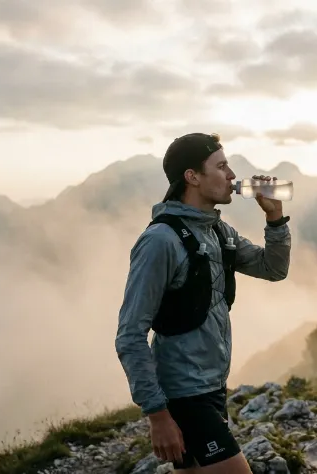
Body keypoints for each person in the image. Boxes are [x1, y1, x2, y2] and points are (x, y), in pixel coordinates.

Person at [115, 132, 291, 473]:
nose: (231, 175)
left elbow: (273, 269)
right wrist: (158, 415)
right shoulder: (160, 241)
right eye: (221, 166)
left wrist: (275, 217)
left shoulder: (218, 231)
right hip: (183, 394)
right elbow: (130, 334)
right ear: (192, 177)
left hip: (211, 386)